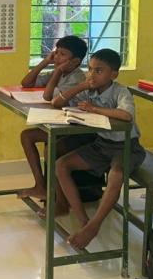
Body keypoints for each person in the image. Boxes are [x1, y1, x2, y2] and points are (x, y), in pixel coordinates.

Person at [53, 48, 147, 249]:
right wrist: (80, 86)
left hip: (127, 147)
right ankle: (84, 221)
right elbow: (57, 102)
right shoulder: (89, 89)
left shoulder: (121, 91)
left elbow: (126, 115)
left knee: (116, 175)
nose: (92, 75)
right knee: (61, 165)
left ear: (114, 74)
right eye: (90, 69)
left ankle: (94, 226)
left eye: (98, 71)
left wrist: (94, 109)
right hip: (102, 146)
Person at [17, 35, 87, 200]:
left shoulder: (76, 78)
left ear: (75, 61)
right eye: (56, 52)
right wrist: (45, 62)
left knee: (47, 146)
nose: (56, 57)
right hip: (60, 123)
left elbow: (48, 96)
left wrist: (57, 71)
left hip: (76, 129)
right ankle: (40, 186)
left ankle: (56, 197)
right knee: (27, 136)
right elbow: (26, 83)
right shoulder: (60, 72)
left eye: (62, 54)